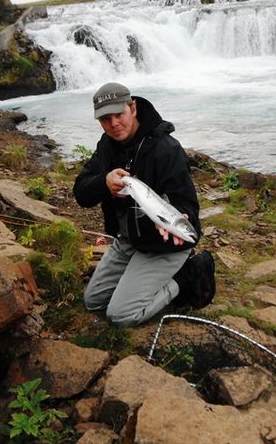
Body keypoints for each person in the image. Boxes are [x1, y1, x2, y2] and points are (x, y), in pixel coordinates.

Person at [73, 82, 215, 327]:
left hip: (165, 243)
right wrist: (104, 183)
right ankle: (140, 275)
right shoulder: (106, 146)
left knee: (121, 315)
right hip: (129, 241)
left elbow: (187, 204)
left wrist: (179, 219)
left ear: (133, 108)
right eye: (106, 119)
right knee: (93, 301)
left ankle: (187, 275)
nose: (114, 123)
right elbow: (81, 193)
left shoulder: (166, 149)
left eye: (119, 114)